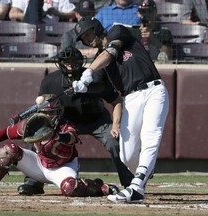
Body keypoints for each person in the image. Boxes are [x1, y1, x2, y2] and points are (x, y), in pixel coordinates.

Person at [72, 16, 169, 203]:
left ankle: (136, 188)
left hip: (153, 90)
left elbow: (110, 52)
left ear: (97, 28)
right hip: (131, 98)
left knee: (151, 136)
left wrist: (88, 72)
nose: (87, 39)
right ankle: (145, 169)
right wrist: (80, 85)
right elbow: (100, 87)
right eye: (83, 38)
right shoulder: (101, 65)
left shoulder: (117, 31)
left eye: (89, 33)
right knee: (127, 154)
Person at [17, 46, 135, 196]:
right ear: (60, 63)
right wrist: (44, 130)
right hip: (65, 123)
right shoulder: (50, 81)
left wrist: (116, 125)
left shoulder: (96, 77)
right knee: (39, 136)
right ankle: (33, 183)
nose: (70, 64)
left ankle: (130, 183)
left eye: (74, 61)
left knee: (114, 141)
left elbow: (117, 101)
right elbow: (43, 108)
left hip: (97, 120)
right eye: (67, 61)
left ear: (81, 62)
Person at [0, 94, 119, 197]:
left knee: (69, 188)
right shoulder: (32, 124)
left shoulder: (65, 125)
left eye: (50, 113)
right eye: (44, 112)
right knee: (8, 150)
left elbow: (71, 137)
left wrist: (55, 135)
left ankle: (98, 186)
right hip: (39, 163)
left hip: (63, 167)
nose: (47, 116)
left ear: (59, 113)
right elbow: (6, 132)